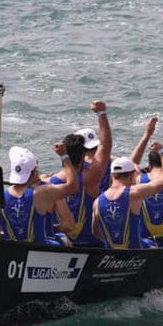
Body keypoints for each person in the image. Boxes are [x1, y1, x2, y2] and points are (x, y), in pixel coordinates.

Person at [50, 101, 112, 247]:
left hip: (62, 247)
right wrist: (101, 113)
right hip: (93, 245)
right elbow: (106, 146)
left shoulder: (49, 183)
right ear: (83, 154)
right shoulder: (91, 176)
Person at [91, 146, 163, 249]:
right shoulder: (134, 193)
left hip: (112, 256)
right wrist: (162, 151)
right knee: (152, 244)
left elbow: (96, 232)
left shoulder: (97, 202)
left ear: (112, 175)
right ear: (132, 176)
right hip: (137, 252)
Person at [0, 146, 78, 245]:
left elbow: (0, 227)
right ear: (34, 173)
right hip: (41, 248)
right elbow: (73, 187)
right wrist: (64, 156)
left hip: (12, 248)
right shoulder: (42, 192)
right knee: (65, 240)